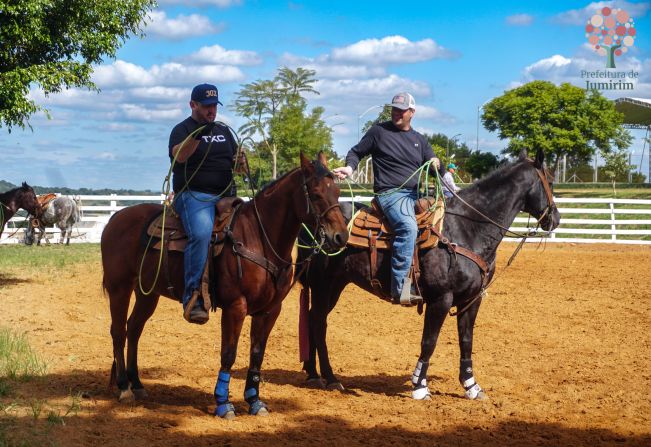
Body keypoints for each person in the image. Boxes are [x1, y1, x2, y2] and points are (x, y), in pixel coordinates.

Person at [333, 92, 441, 306]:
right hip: (390, 194)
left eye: (401, 110)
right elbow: (356, 151)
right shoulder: (378, 132)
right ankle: (399, 287)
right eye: (394, 109)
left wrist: (438, 164)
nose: (397, 113)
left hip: (416, 195)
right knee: (408, 228)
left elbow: (434, 164)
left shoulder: (419, 140)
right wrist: (349, 167)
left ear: (412, 112)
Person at [169, 83, 238, 324]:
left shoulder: (224, 131)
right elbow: (179, 155)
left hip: (227, 195)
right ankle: (193, 296)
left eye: (214, 106)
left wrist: (240, 163)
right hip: (194, 195)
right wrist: (199, 133)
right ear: (193, 105)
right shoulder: (183, 130)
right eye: (206, 106)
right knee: (200, 232)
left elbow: (234, 161)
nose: (212, 111)